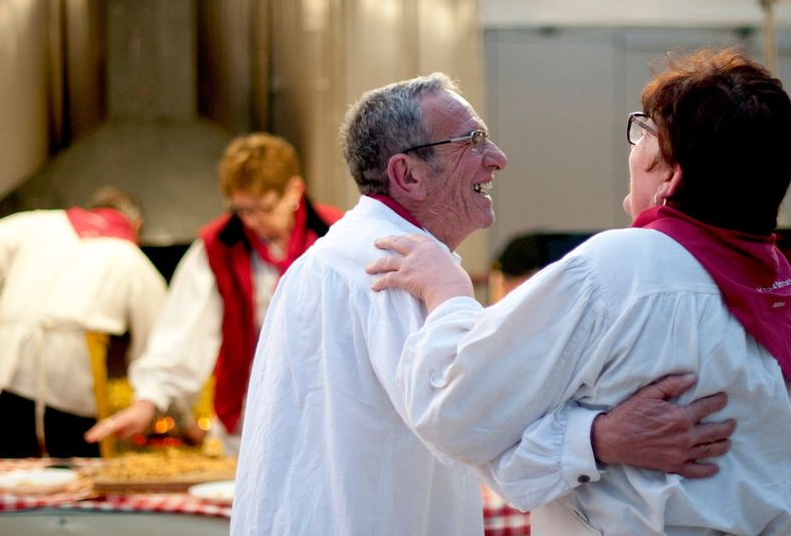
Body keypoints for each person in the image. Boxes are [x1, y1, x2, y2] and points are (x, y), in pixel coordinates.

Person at [230, 73, 736, 535]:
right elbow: (471, 422)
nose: (497, 157)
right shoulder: (390, 264)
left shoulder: (356, 253)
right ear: (407, 175)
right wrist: (603, 438)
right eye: (472, 141)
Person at [369, 48, 791, 534]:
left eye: (645, 132)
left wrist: (448, 294)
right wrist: (597, 439)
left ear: (670, 176)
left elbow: (455, 413)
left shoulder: (621, 273)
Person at [85, 133, 343, 455]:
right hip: (247, 421)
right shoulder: (219, 246)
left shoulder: (338, 236)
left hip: (329, 420)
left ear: (294, 190)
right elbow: (182, 334)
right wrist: (148, 401)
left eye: (263, 208)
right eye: (242, 210)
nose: (252, 221)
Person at [0, 187, 166, 458]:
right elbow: (161, 342)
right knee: (73, 475)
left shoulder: (40, 223)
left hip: (3, 362)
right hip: (68, 376)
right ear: (136, 226)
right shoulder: (131, 257)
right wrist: (175, 414)